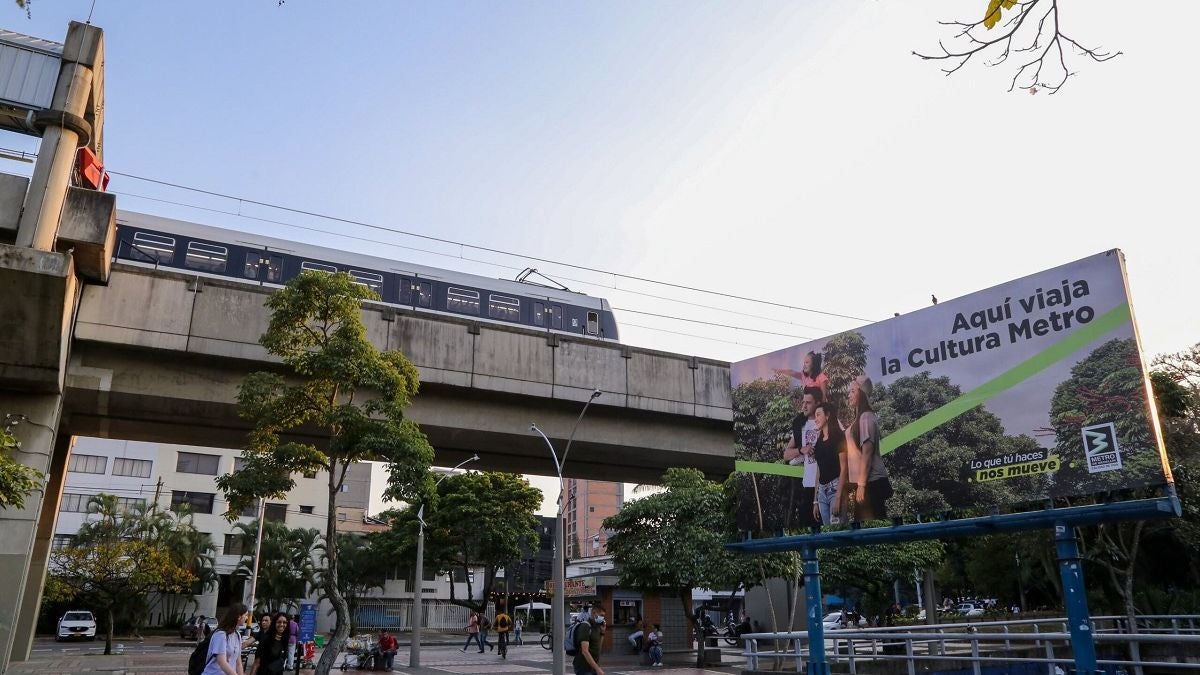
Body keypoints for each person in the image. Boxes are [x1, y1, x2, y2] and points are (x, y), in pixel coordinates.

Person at [844, 375, 892, 520]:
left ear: (861, 393)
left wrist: (862, 485)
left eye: (852, 391)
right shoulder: (860, 419)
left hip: (871, 484)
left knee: (872, 529)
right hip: (866, 484)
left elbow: (867, 453)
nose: (849, 395)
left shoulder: (866, 417)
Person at [783, 387, 823, 527]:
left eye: (809, 402)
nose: (804, 405)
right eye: (803, 401)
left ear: (818, 403)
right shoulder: (801, 425)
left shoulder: (827, 420)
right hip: (807, 486)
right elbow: (786, 455)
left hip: (826, 485)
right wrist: (801, 450)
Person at [809, 401, 848, 525]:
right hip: (822, 493)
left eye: (818, 415)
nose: (816, 419)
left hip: (835, 488)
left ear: (827, 415)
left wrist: (838, 496)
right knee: (828, 532)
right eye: (815, 416)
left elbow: (844, 468)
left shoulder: (839, 437)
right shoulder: (819, 442)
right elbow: (818, 471)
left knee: (838, 530)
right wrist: (815, 501)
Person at [203, 603, 247, 675]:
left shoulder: (237, 635)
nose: (247, 618)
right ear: (239, 616)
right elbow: (222, 662)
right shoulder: (220, 635)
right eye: (245, 615)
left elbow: (238, 663)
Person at [572, 605, 607, 675]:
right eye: (601, 615)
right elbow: (585, 651)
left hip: (593, 666)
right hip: (583, 667)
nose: (602, 618)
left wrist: (602, 633)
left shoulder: (597, 627)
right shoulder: (586, 626)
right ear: (594, 613)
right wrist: (597, 669)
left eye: (603, 616)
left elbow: (598, 648)